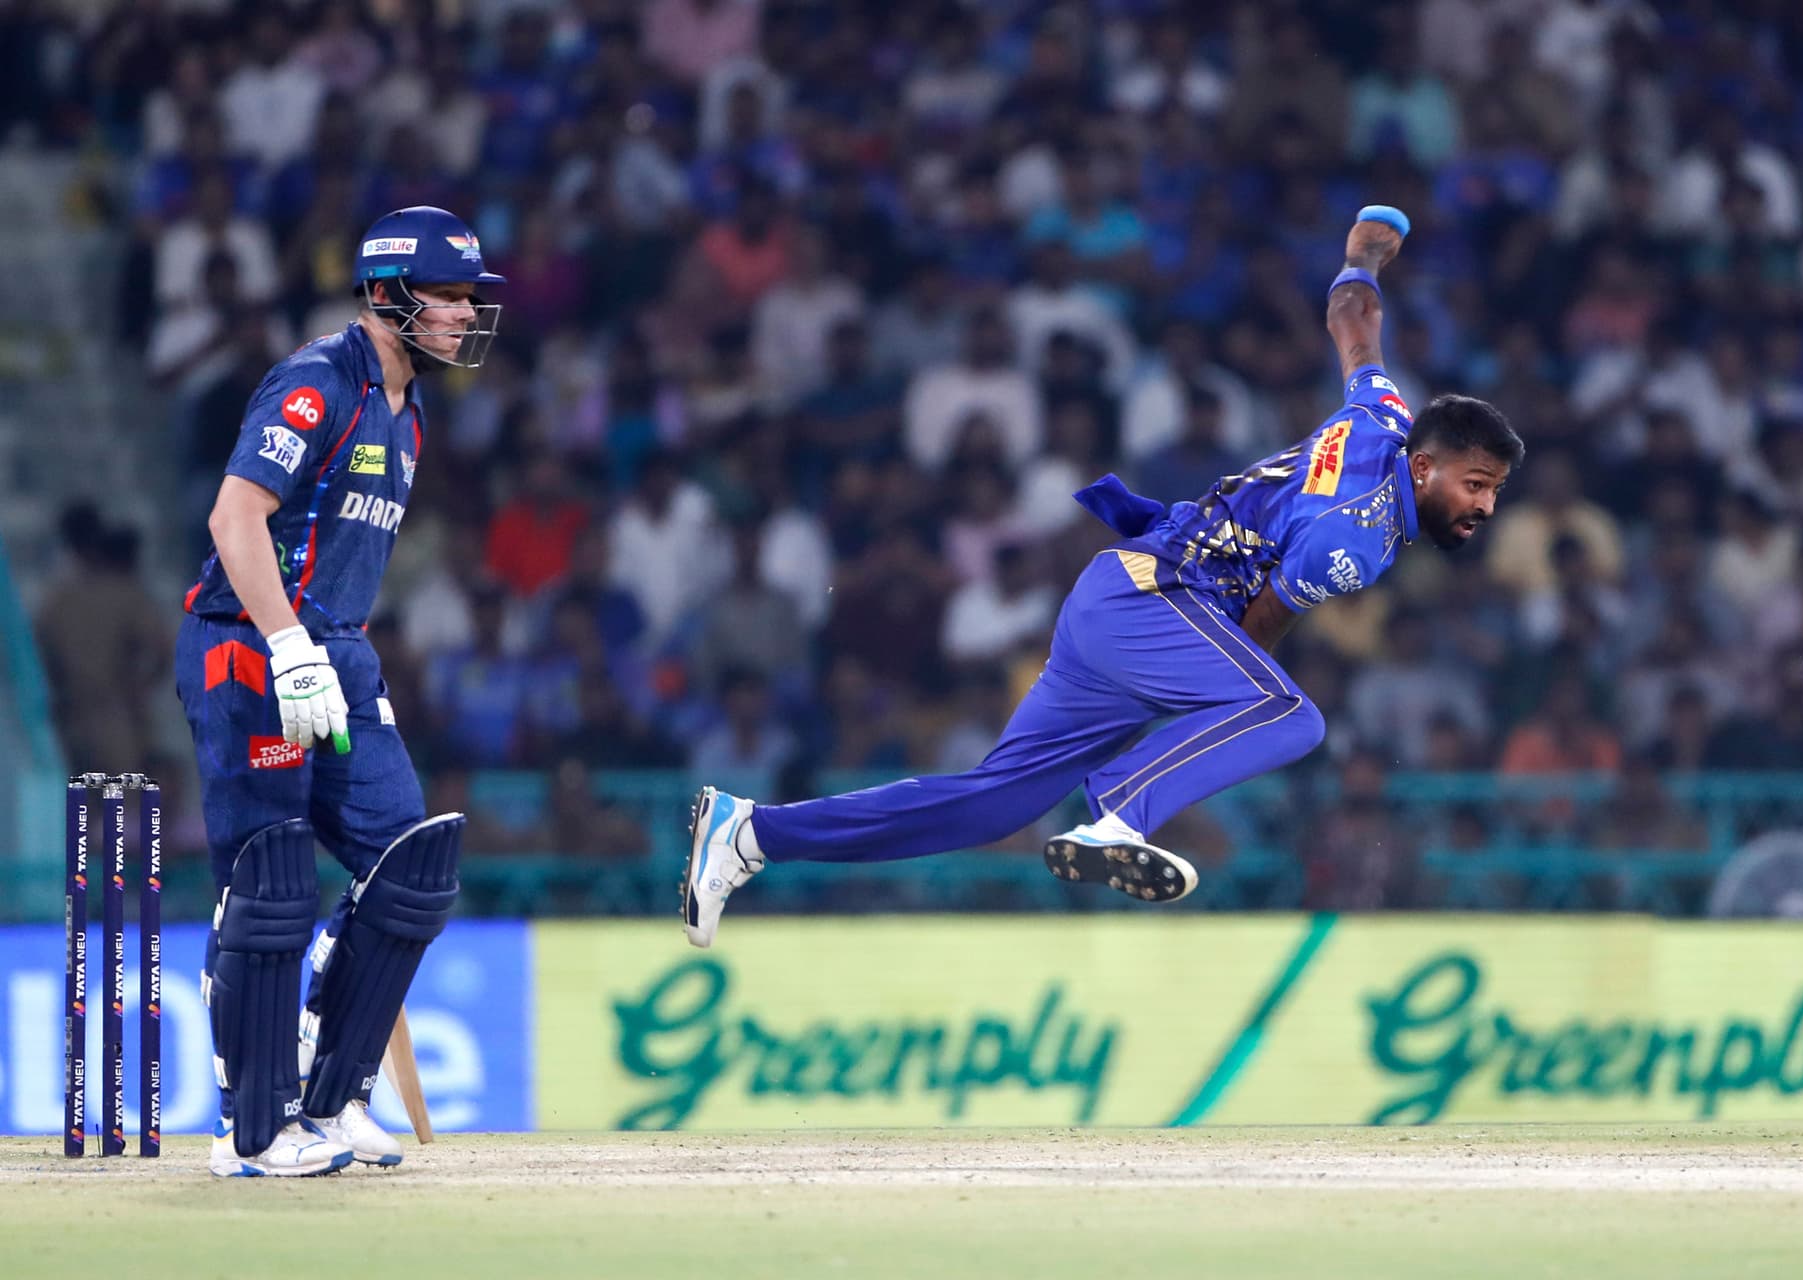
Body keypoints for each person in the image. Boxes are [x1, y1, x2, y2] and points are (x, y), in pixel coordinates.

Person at [682, 206, 1524, 947]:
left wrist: (1362, 255)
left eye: (1493, 491)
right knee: (1290, 717)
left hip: (1127, 605)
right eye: (1477, 486)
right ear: (1424, 470)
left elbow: (1354, 323)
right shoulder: (1358, 538)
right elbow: (1262, 624)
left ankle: (750, 834)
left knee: (990, 806)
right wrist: (1190, 719)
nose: (1485, 507)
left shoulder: (1383, 413)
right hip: (1151, 603)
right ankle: (1121, 810)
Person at [175, 206, 504, 1176]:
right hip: (249, 644)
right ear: (389, 294)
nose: (464, 314)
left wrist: (322, 649)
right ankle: (254, 1129)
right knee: (272, 881)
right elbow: (234, 516)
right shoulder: (319, 381)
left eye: (470, 298)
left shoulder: (410, 411)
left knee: (413, 864)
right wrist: (286, 642)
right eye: (447, 296)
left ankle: (334, 1093)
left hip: (341, 653)